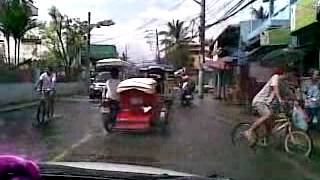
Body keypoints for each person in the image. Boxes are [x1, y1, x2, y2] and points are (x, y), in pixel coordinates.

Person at [243, 69, 287, 141]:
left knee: (272, 120)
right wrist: (280, 99)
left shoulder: (282, 82)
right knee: (267, 115)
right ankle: (249, 131)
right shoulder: (275, 77)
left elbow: (288, 92)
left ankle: (265, 137)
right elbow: (275, 89)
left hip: (267, 104)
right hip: (260, 101)